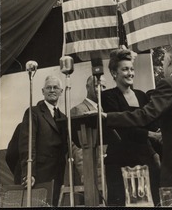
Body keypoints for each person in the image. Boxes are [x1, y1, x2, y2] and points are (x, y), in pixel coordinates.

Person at [103, 43, 172, 206]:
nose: (162, 67)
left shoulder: (170, 84)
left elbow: (145, 116)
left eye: (163, 62)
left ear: (169, 60)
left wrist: (108, 117)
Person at [101, 49, 161, 206]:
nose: (130, 73)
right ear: (114, 73)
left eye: (132, 69)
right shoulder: (107, 96)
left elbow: (150, 122)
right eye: (125, 69)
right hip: (120, 160)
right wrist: (151, 135)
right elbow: (121, 127)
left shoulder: (142, 95)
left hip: (145, 159)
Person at [16, 75, 68, 206]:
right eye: (48, 87)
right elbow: (27, 144)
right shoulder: (33, 112)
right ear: (42, 91)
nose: (52, 90)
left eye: (55, 87)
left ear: (61, 91)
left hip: (58, 175)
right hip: (38, 175)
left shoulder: (63, 117)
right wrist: (29, 173)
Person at [70, 75, 107, 201]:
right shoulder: (78, 110)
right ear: (87, 87)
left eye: (103, 86)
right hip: (92, 173)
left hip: (105, 172)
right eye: (97, 85)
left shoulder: (104, 110)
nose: (101, 89)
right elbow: (78, 148)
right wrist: (86, 173)